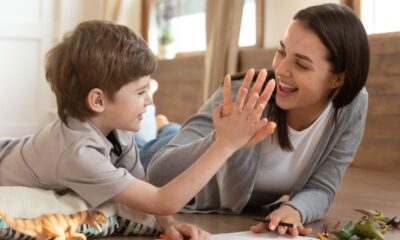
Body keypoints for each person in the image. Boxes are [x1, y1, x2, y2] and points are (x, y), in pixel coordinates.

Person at [0, 20, 276, 240]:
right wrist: (224, 145)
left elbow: (147, 189)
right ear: (98, 100)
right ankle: (162, 125)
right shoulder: (78, 153)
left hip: (24, 148)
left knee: (148, 139)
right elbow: (161, 200)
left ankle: (161, 124)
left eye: (148, 89)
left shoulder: (118, 128)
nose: (149, 99)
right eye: (142, 91)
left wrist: (168, 225)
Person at [147, 3, 369, 237]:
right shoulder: (242, 94)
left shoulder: (350, 105)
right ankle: (157, 122)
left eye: (301, 64)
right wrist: (223, 141)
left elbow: (322, 187)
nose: (281, 69)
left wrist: (295, 209)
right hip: (150, 159)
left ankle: (163, 125)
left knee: (164, 129)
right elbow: (158, 174)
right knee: (138, 141)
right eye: (281, 51)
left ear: (337, 79)